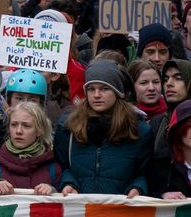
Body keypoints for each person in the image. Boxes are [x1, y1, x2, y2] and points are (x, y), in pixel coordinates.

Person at [55, 59, 151, 195]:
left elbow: (147, 173)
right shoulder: (68, 127)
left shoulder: (139, 129)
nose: (96, 95)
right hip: (79, 211)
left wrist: (138, 188)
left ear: (118, 92)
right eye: (91, 89)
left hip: (122, 212)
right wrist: (68, 183)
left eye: (104, 89)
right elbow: (60, 167)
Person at [0, 101, 70, 195]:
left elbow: (65, 202)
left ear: (39, 131)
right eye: (14, 125)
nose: (18, 131)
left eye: (26, 126)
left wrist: (53, 191)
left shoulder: (54, 170)